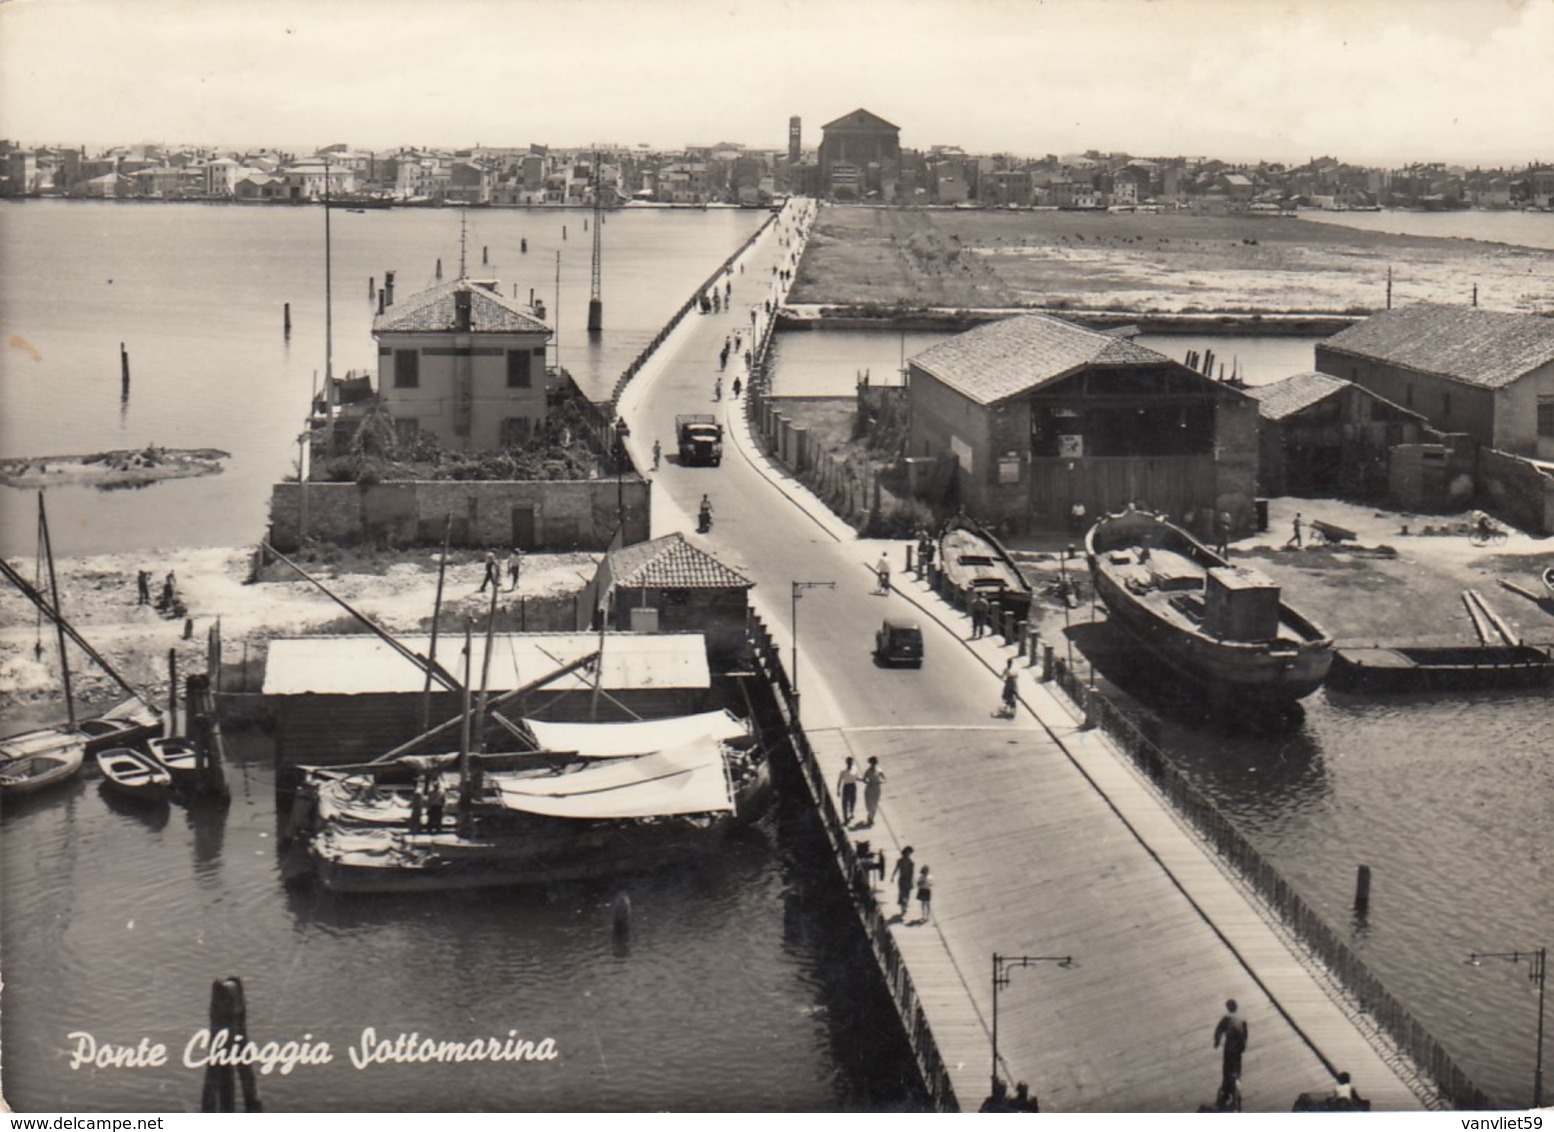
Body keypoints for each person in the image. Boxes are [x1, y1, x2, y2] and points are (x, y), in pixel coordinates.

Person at [1213, 999, 1248, 1111]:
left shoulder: (1226, 1019)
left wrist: (1217, 1042)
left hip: (1229, 1048)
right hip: (1238, 1048)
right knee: (1237, 1068)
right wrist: (1243, 1046)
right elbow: (1245, 1034)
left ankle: (1226, 1090)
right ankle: (1236, 1087)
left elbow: (1218, 1031)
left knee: (1227, 1069)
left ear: (1228, 1007)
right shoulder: (1242, 1019)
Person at [892, 846, 915, 917]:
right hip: (902, 879)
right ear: (904, 853)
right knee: (902, 894)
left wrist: (911, 882)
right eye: (908, 853)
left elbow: (912, 873)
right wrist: (892, 876)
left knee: (907, 894)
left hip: (908, 880)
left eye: (909, 853)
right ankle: (902, 908)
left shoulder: (911, 863)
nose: (908, 854)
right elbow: (896, 869)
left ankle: (905, 905)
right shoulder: (900, 861)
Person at [862, 756, 885, 827]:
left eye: (874, 763)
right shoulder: (868, 771)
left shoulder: (879, 770)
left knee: (875, 804)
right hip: (869, 788)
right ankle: (870, 815)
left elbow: (884, 779)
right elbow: (864, 779)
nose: (873, 764)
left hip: (876, 788)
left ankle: (872, 818)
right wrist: (868, 782)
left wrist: (880, 782)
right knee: (869, 804)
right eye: (872, 763)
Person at [837, 756, 860, 825]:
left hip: (853, 785)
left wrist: (863, 780)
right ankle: (845, 817)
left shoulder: (855, 769)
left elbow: (856, 778)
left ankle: (851, 811)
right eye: (848, 762)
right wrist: (838, 790)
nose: (850, 763)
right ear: (846, 763)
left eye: (851, 762)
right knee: (845, 802)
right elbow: (840, 780)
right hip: (846, 786)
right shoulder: (843, 771)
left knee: (853, 800)